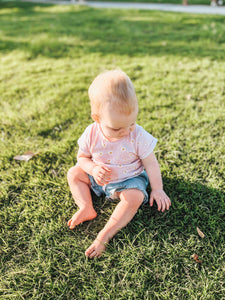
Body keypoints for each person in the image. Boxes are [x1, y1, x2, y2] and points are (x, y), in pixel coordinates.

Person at [67, 69, 171, 258]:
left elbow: (151, 164)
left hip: (129, 179)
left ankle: (104, 236)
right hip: (98, 178)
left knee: (135, 198)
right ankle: (85, 207)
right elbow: (81, 159)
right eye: (117, 128)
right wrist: (93, 168)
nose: (127, 131)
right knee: (73, 174)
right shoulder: (91, 133)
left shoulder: (137, 135)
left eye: (131, 123)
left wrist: (157, 189)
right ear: (97, 118)